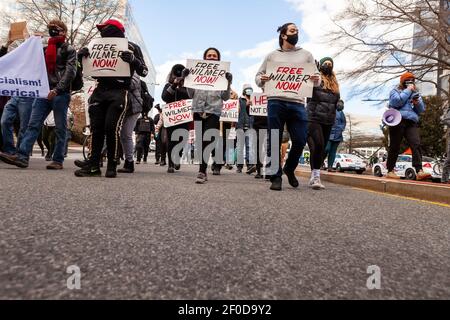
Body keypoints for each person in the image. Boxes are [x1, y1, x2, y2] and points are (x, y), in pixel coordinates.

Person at [74, 19, 148, 178]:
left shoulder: (132, 47)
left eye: (107, 28)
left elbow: (144, 72)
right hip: (100, 90)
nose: (103, 32)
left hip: (119, 91)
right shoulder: (95, 46)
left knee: (111, 128)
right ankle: (93, 166)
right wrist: (80, 60)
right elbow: (84, 73)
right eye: (101, 29)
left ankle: (112, 165)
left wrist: (134, 61)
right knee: (96, 129)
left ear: (117, 30)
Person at [0, 20, 76, 170]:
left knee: (60, 128)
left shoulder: (69, 49)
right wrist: (33, 41)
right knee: (32, 125)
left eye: (56, 28)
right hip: (42, 93)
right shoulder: (44, 49)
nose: (52, 30)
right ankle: (22, 157)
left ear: (64, 32)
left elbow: (70, 72)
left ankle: (58, 160)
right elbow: (29, 60)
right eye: (50, 28)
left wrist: (57, 90)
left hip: (59, 94)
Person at [255, 23, 320, 191]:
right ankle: (275, 177)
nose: (296, 33)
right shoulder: (272, 56)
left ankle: (289, 168)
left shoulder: (306, 55)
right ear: (283, 35)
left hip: (297, 102)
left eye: (297, 31)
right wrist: (262, 79)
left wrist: (315, 79)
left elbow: (317, 79)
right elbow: (258, 77)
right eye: (292, 31)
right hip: (275, 100)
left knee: (300, 139)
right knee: (274, 138)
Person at [182, 47, 233, 184]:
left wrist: (228, 83)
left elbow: (226, 97)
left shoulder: (222, 76)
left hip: (214, 111)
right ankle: (204, 168)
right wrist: (187, 79)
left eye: (214, 55)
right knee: (200, 141)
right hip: (198, 110)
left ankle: (202, 170)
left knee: (207, 139)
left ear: (218, 58)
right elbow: (190, 94)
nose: (211, 57)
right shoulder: (195, 73)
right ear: (205, 58)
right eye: (209, 55)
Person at [386, 72, 431, 181]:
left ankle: (419, 171)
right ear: (403, 81)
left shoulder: (415, 93)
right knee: (395, 146)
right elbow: (396, 102)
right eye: (408, 80)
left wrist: (416, 103)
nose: (411, 82)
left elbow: (421, 110)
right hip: (397, 120)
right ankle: (390, 170)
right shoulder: (395, 91)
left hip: (411, 121)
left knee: (416, 144)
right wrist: (408, 90)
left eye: (412, 80)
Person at [307, 57, 342, 190]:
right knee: (319, 144)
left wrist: (340, 103)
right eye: (325, 63)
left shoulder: (335, 84)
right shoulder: (315, 79)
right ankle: (316, 177)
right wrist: (312, 73)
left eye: (330, 64)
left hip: (328, 119)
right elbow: (307, 91)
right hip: (313, 117)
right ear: (320, 65)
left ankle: (314, 175)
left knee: (320, 149)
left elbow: (337, 99)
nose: (328, 65)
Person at [161, 64, 191, 174]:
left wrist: (183, 81)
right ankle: (170, 164)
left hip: (184, 118)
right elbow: (164, 97)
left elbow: (191, 97)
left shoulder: (188, 88)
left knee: (182, 139)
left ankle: (177, 157)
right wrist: (174, 85)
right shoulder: (168, 85)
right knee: (171, 140)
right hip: (171, 117)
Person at [236, 84, 254, 174]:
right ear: (244, 91)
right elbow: (237, 111)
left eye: (250, 90)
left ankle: (249, 165)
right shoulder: (239, 100)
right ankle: (239, 166)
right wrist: (245, 105)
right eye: (247, 90)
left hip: (250, 125)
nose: (249, 91)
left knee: (249, 146)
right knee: (240, 146)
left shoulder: (254, 100)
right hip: (240, 125)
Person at [324, 100, 346, 172]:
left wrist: (340, 129)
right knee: (326, 149)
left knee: (333, 151)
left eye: (342, 104)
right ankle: (320, 162)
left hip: (338, 135)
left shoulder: (342, 114)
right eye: (339, 103)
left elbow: (344, 123)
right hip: (330, 133)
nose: (340, 105)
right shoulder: (331, 110)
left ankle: (330, 167)